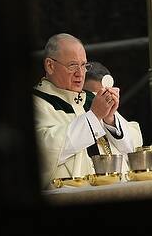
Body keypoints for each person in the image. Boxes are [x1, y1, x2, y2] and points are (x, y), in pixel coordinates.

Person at [33, 33, 143, 189]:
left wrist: (110, 120)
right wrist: (94, 116)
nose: (80, 73)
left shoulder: (92, 98)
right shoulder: (37, 102)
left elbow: (133, 148)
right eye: (72, 65)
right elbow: (45, 150)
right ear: (50, 66)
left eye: (84, 65)